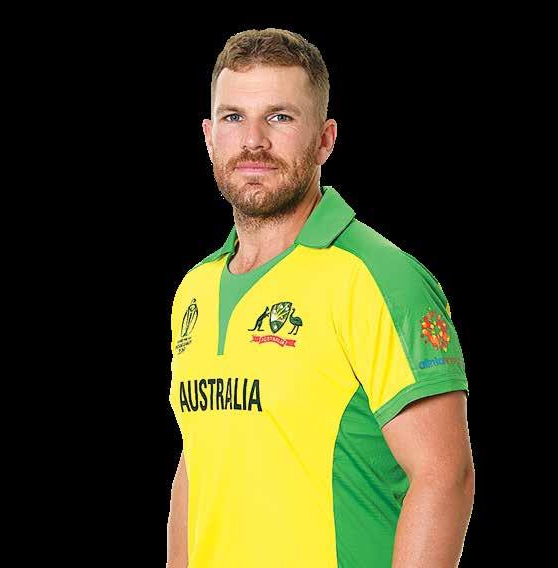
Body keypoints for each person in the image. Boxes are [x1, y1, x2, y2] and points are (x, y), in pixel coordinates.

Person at [167, 28, 474, 568]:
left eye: (280, 117)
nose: (253, 140)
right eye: (234, 117)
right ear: (210, 137)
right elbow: (200, 456)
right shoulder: (196, 287)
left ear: (325, 139)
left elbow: (444, 476)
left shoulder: (379, 277)